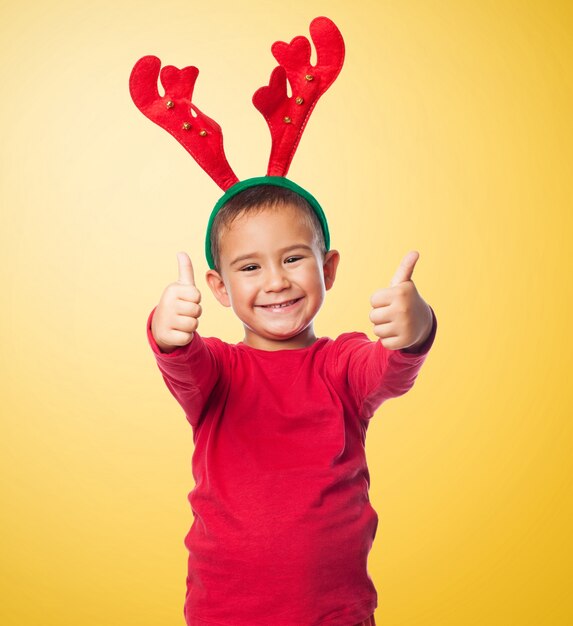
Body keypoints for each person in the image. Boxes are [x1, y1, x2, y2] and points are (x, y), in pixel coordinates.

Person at [146, 183, 438, 626]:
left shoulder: (342, 362)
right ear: (219, 287)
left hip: (337, 614)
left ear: (329, 268)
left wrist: (416, 327)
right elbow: (182, 362)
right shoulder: (217, 372)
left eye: (293, 258)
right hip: (224, 614)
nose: (276, 281)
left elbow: (388, 369)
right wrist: (166, 329)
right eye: (249, 267)